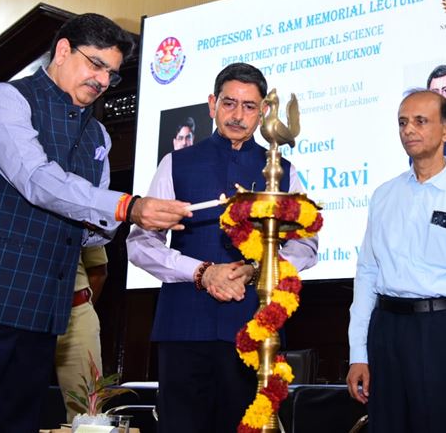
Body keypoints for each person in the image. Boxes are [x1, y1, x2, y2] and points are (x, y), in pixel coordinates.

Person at [0, 13, 191, 433]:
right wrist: (126, 207)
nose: (102, 81)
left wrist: (123, 222)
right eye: (95, 64)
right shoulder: (4, 101)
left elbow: (88, 230)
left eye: (112, 74)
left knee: (15, 425)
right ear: (63, 50)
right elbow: (37, 180)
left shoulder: (99, 136)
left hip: (42, 312)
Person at [127, 62, 318, 433]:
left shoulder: (281, 170)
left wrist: (257, 268)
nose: (238, 115)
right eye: (229, 103)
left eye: (249, 106)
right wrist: (201, 271)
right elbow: (140, 244)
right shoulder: (176, 163)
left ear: (263, 110)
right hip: (183, 325)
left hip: (251, 329)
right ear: (212, 103)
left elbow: (306, 245)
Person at [347, 89, 446, 432]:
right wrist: (359, 353)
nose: (409, 130)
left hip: (440, 331)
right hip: (385, 332)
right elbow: (367, 274)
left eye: (420, 121)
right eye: (402, 122)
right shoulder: (385, 195)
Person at [55, 246, 108, 423]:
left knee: (89, 413)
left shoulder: (86, 217)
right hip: (19, 312)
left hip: (76, 312)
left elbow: (98, 271)